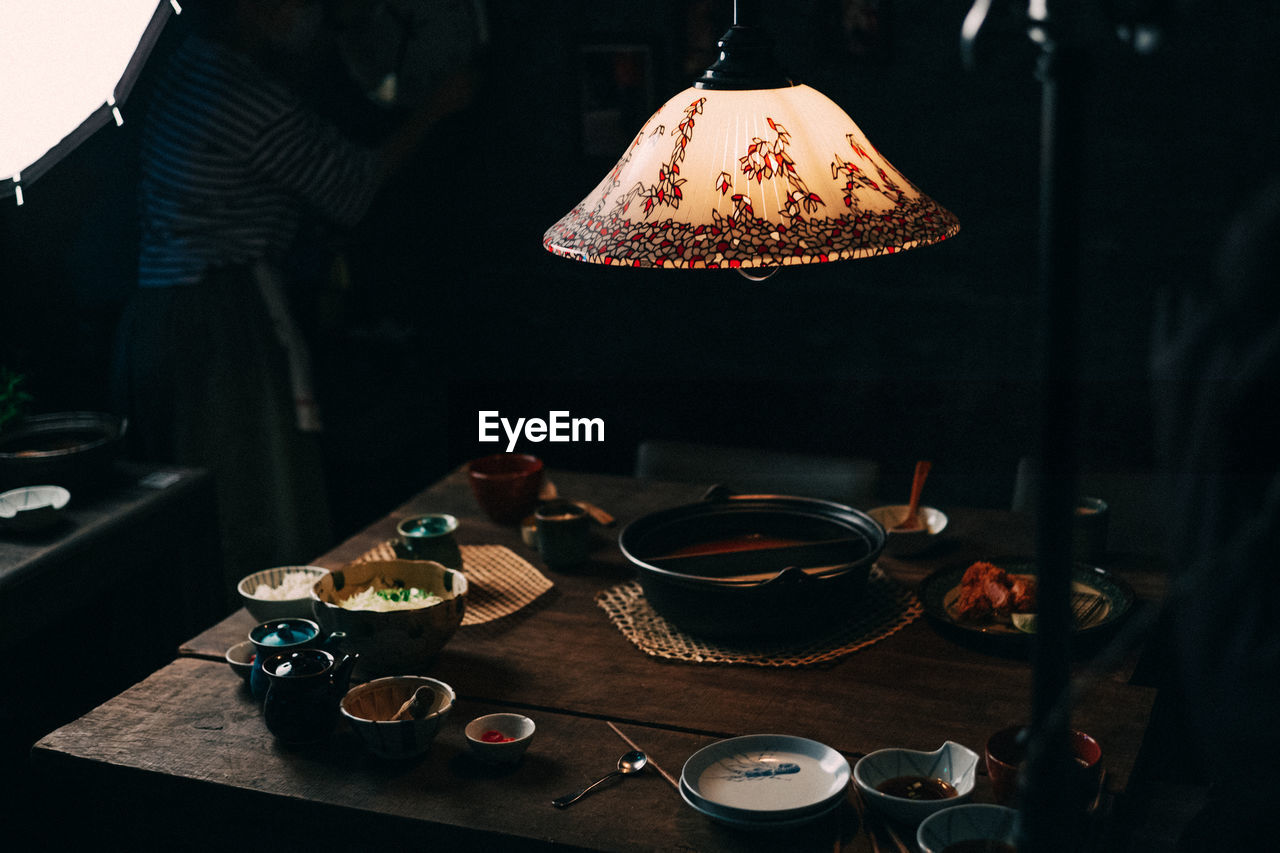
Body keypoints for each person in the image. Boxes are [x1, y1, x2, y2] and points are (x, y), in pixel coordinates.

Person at [111, 0, 473, 602]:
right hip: (221, 316)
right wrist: (437, 108)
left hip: (161, 308)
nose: (312, 11)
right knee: (257, 499)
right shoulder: (242, 94)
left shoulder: (190, 62)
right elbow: (350, 188)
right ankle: (274, 640)